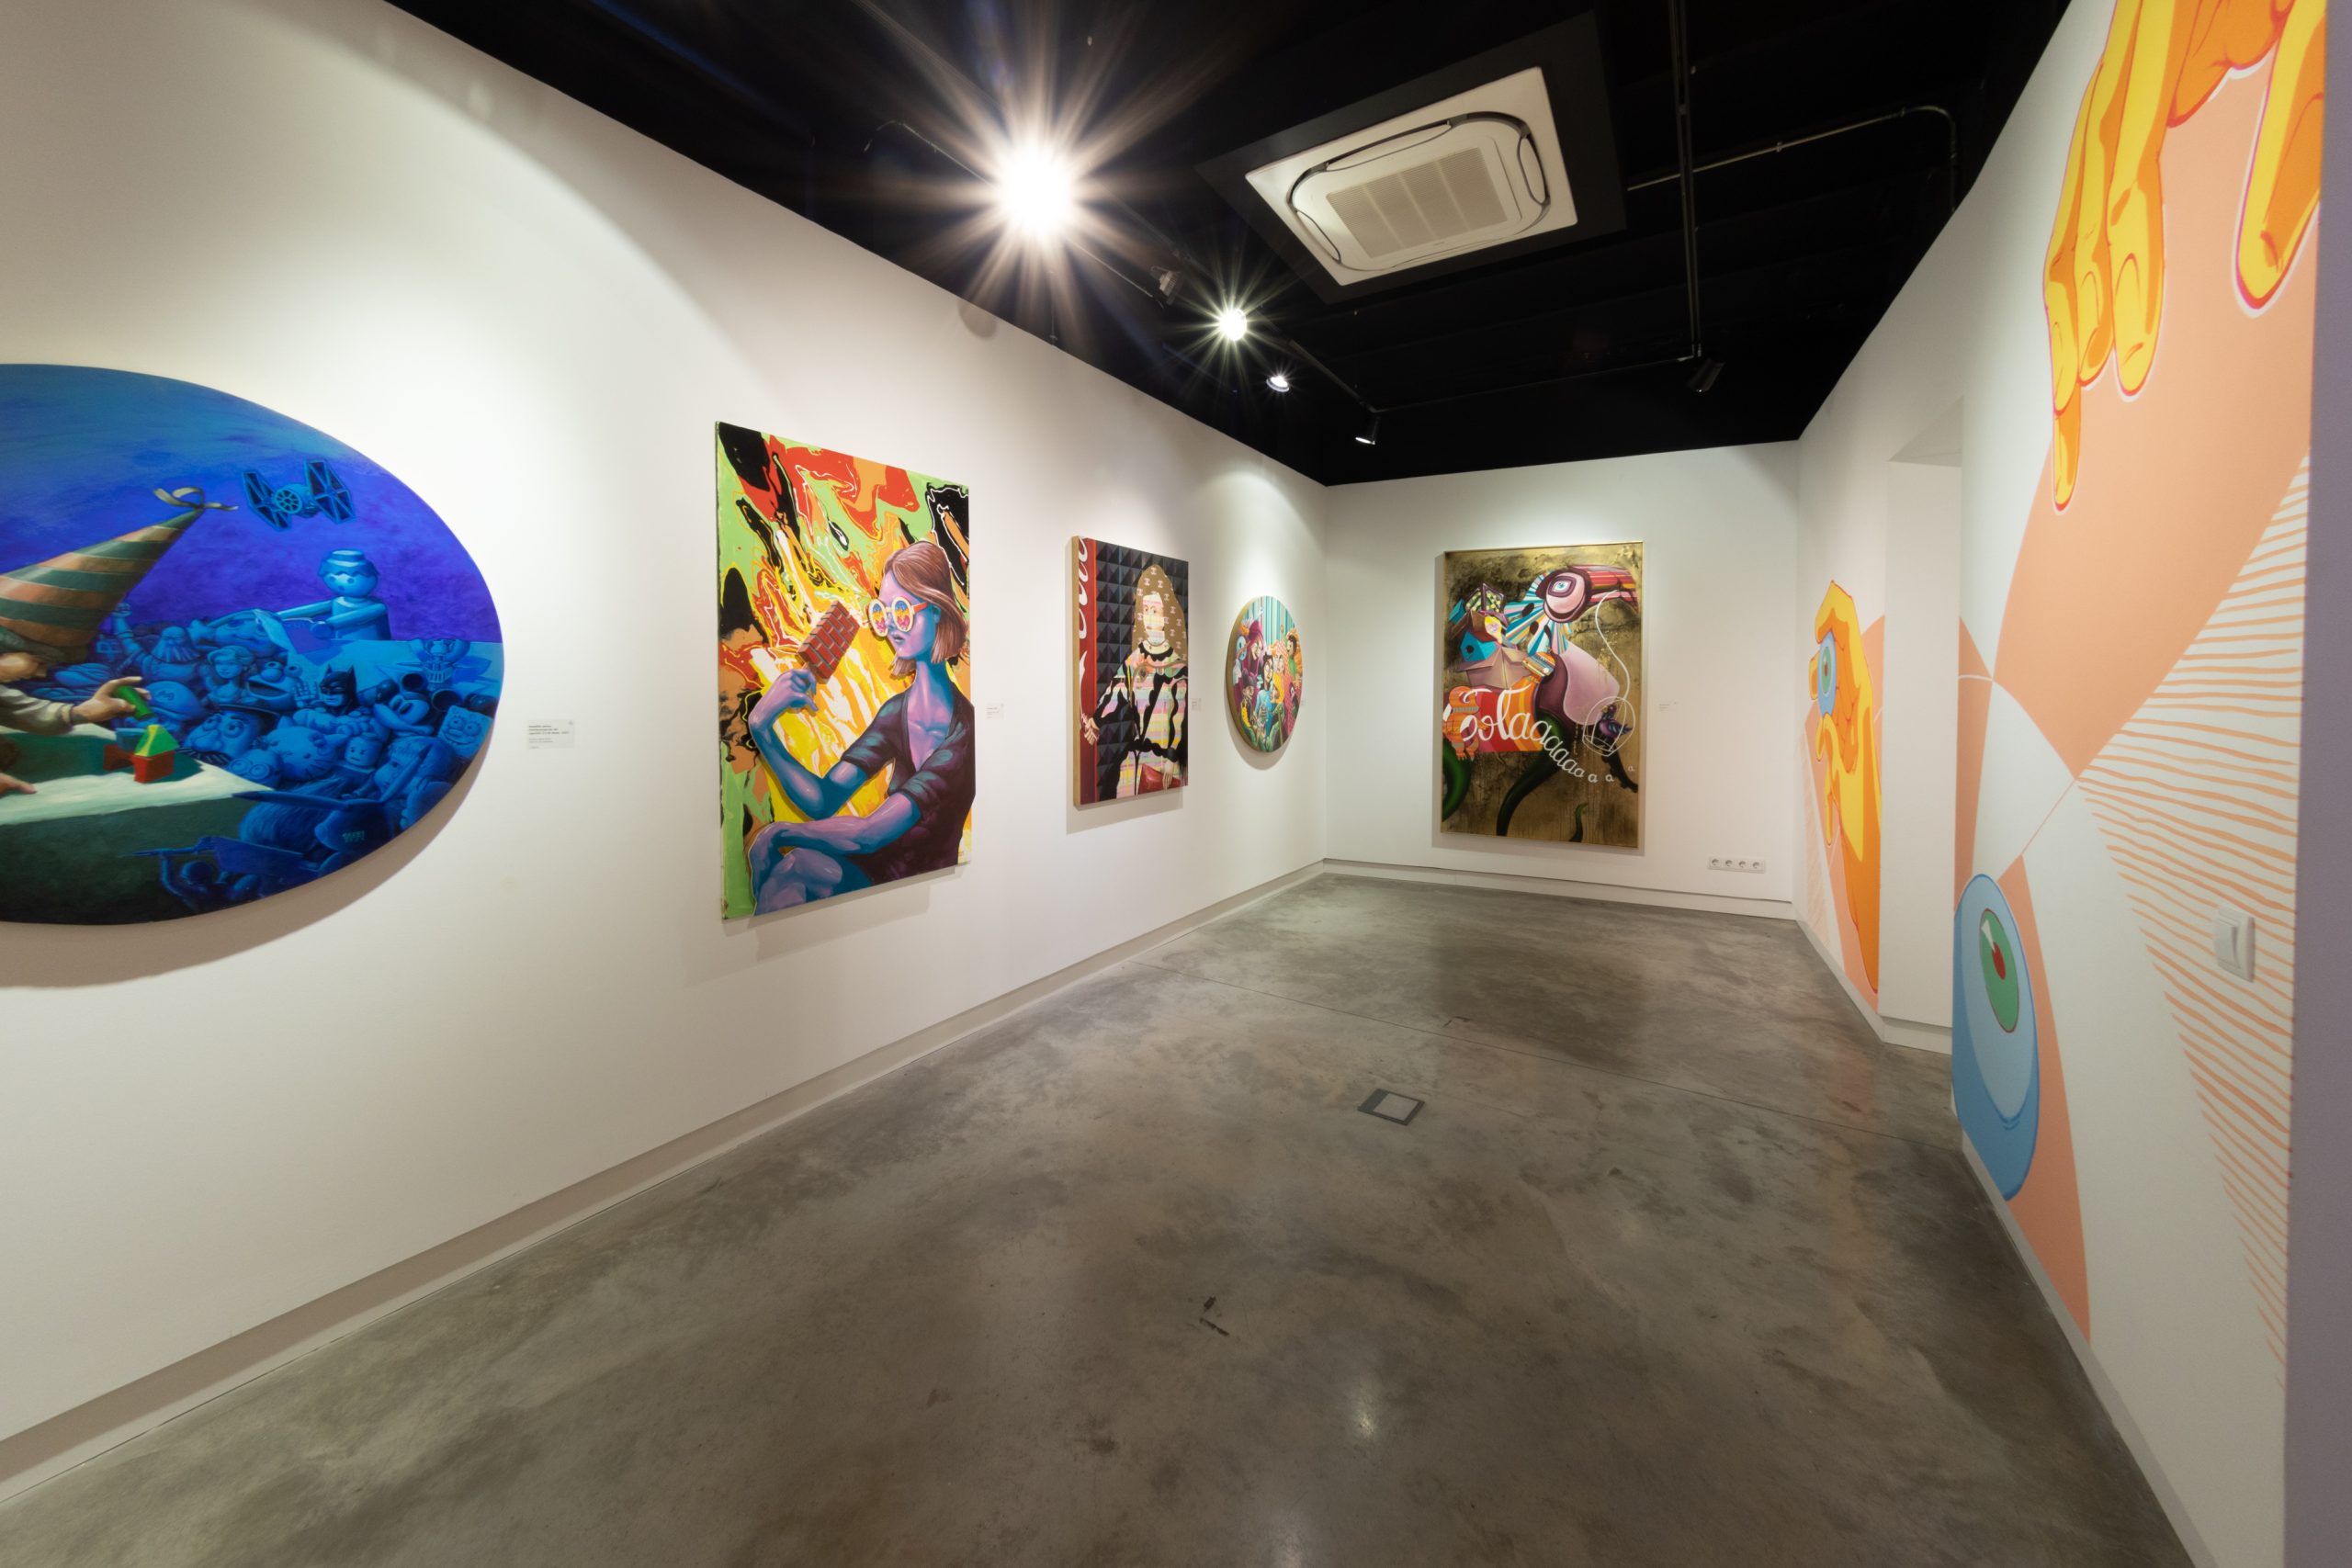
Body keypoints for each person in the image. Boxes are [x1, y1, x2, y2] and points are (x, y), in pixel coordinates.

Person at [745, 539, 974, 909]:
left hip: (915, 884)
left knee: (793, 865)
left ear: (935, 610)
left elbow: (869, 834)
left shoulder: (962, 734)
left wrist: (779, 832)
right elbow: (822, 800)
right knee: (794, 869)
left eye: (902, 611)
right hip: (872, 873)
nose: (891, 626)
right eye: (882, 613)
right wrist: (762, 729)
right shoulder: (895, 712)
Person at [1080, 563, 1186, 795]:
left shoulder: (1178, 668)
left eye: (1155, 611)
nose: (1149, 617)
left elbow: (1178, 717)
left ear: (1166, 616)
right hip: (1136, 761)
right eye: (1145, 609)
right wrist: (1095, 721)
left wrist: (1172, 756)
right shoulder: (1135, 660)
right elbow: (1116, 692)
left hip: (1165, 765)